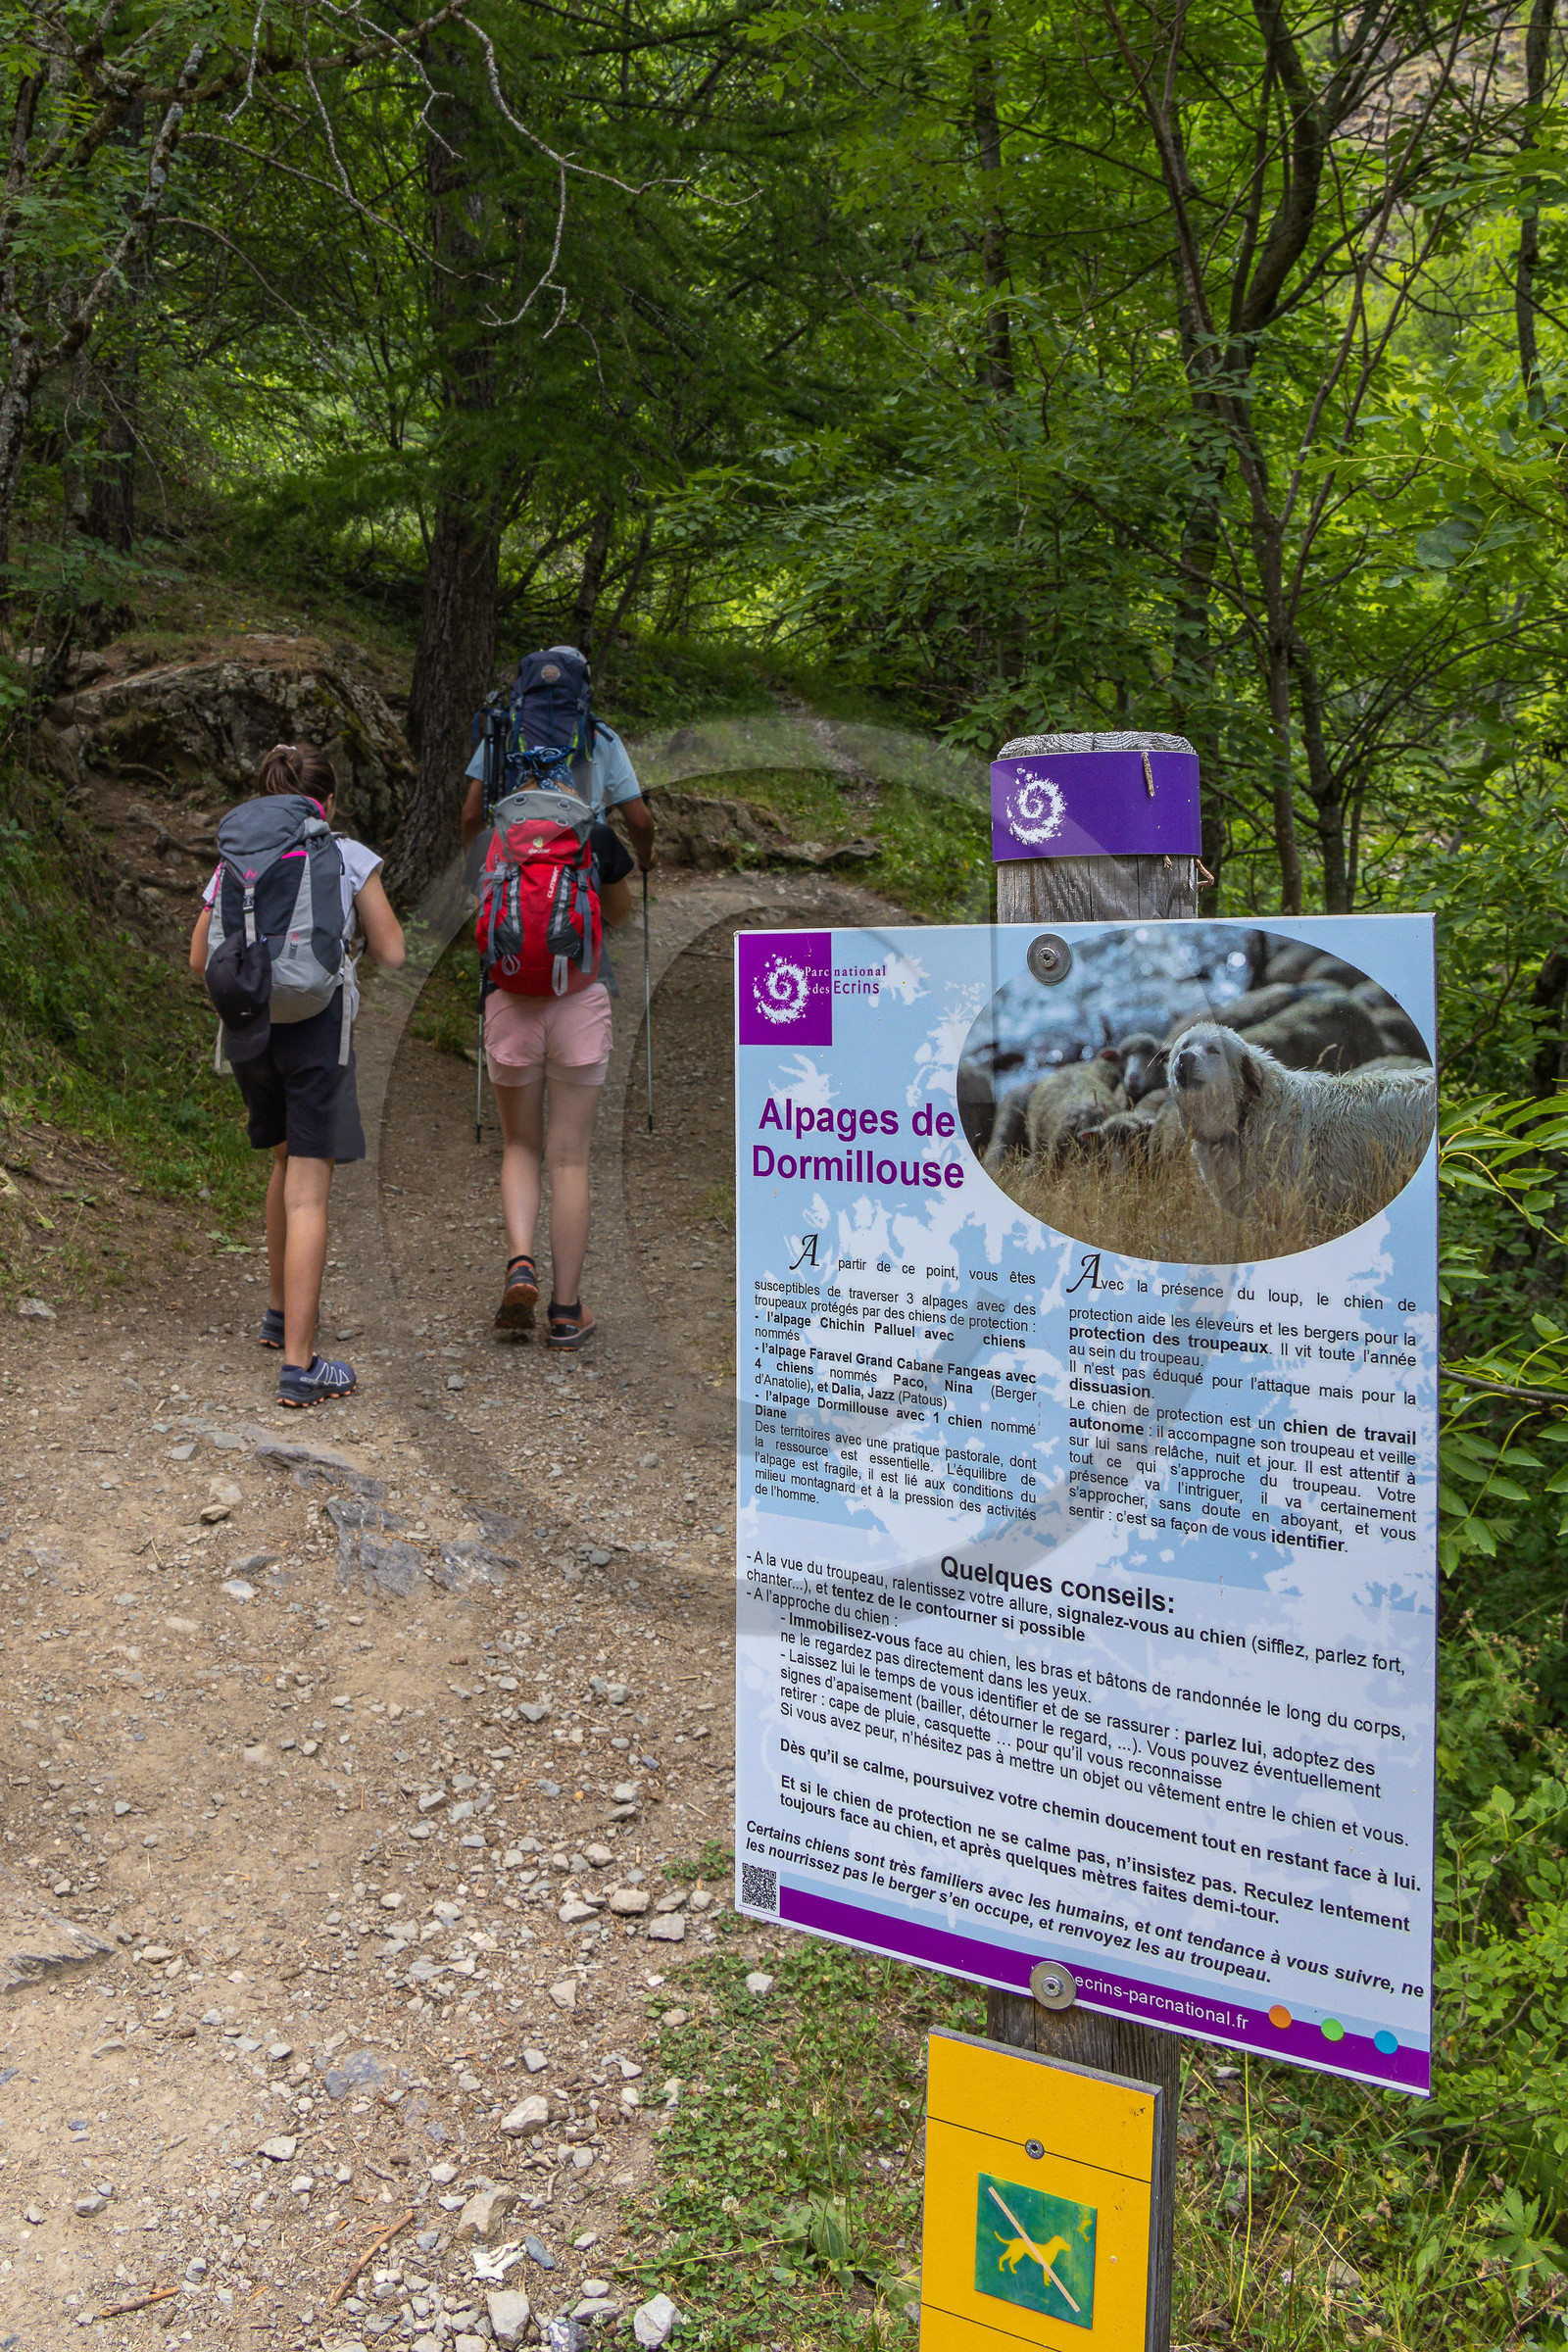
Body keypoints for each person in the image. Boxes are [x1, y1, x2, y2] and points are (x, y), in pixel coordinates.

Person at [188, 742, 406, 1406]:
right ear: (328, 802)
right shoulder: (343, 854)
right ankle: (300, 1366)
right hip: (317, 1029)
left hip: (252, 1028)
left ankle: (280, 1312)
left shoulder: (236, 861)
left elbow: (199, 959)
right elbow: (394, 952)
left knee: (283, 1165)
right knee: (310, 1189)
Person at [459, 657, 652, 1347]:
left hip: (509, 995)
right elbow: (622, 916)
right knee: (570, 1156)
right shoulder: (593, 829)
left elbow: (468, 822)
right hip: (579, 997)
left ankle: (519, 1264)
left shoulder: (497, 836)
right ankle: (568, 1310)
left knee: (520, 1144)